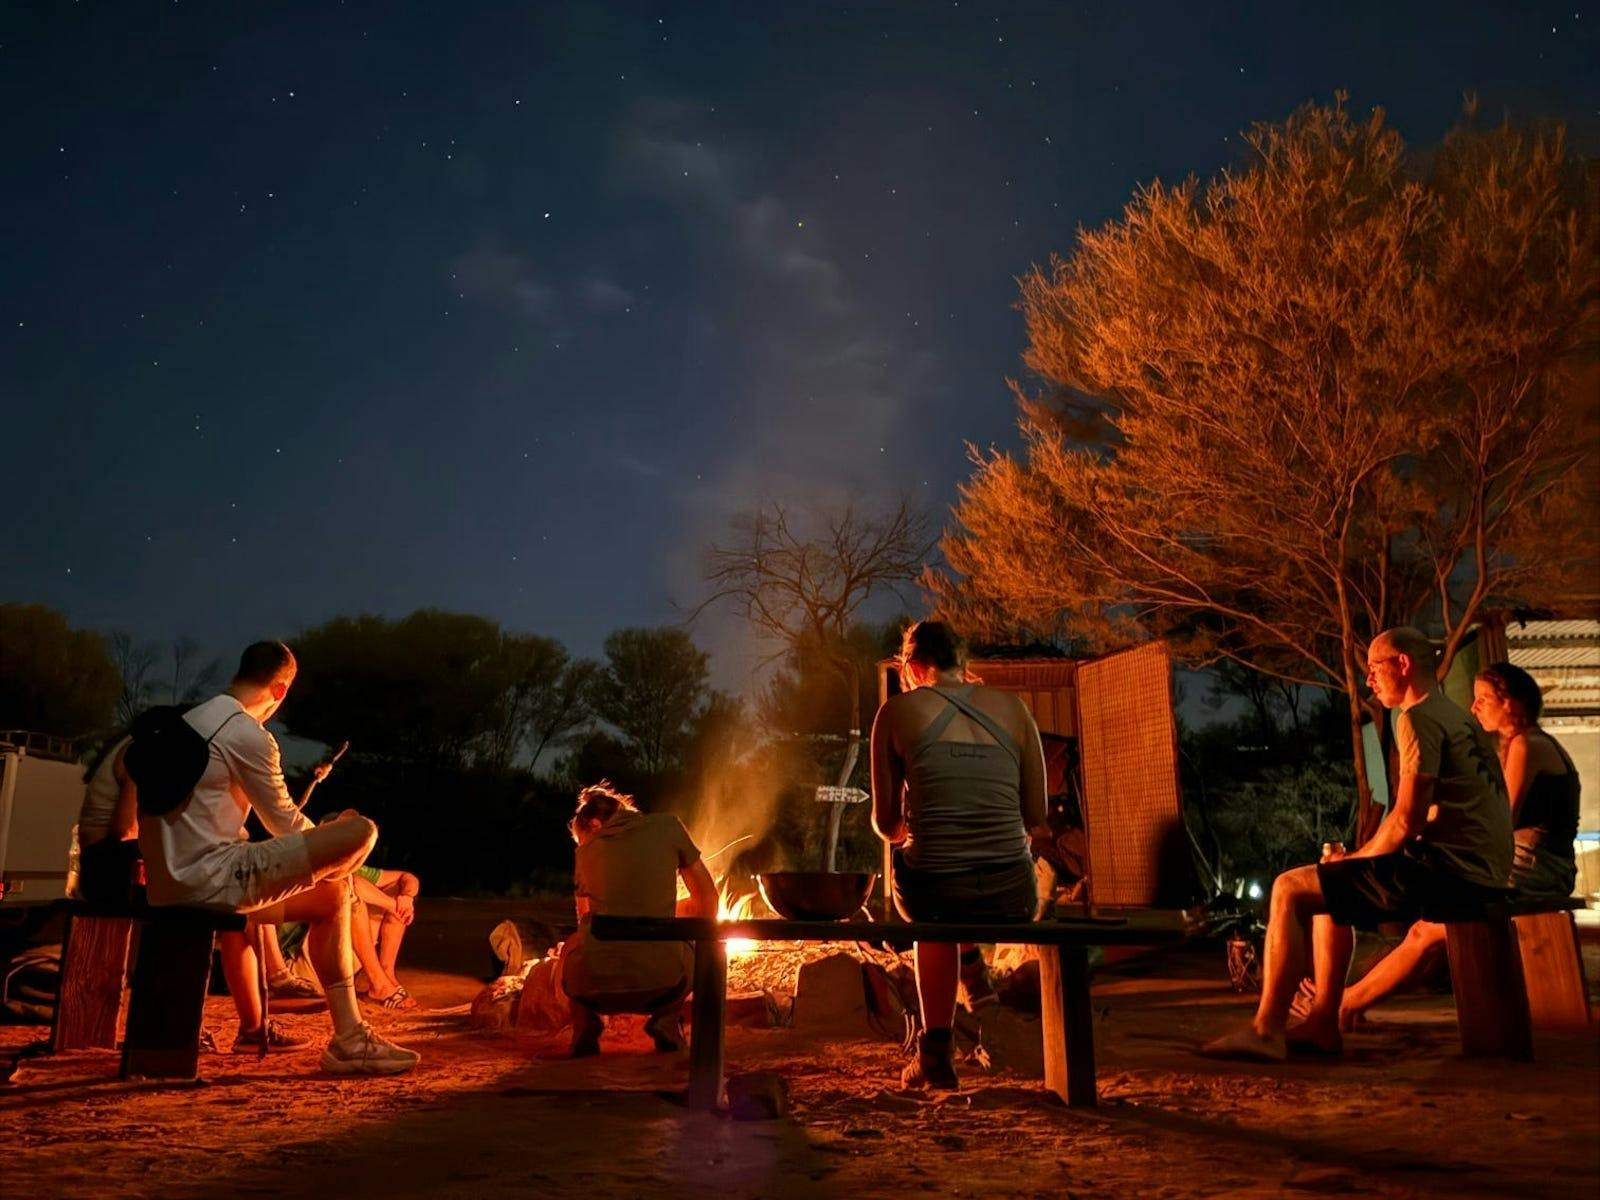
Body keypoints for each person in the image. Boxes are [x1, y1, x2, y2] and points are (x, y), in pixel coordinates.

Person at [1202, 626, 1514, 1061]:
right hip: (1481, 873)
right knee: (1330, 892)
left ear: (1402, 664)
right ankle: (1322, 1025)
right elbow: (1440, 812)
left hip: (1454, 878)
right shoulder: (1456, 716)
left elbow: (1404, 820)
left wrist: (1354, 859)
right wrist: (1353, 862)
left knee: (1290, 888)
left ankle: (1265, 1030)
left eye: (1374, 668)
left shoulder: (1418, 718)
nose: (1369, 680)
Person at [138, 641, 418, 1074]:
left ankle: (349, 1037)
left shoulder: (192, 719)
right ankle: (336, 1022)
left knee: (331, 897)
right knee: (362, 831)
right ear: (280, 689)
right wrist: (337, 841)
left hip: (168, 881)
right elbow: (285, 825)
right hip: (213, 877)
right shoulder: (245, 732)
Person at [1315, 661, 1579, 1028]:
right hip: (1536, 864)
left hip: (1530, 868)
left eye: (1484, 699)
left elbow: (1499, 819)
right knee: (1427, 925)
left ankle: (1344, 1003)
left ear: (1511, 704)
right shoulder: (1532, 744)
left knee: (1429, 926)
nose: (1474, 708)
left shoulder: (1525, 746)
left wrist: (1427, 825)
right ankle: (1349, 1002)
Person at [871, 620, 1049, 1090]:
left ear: (911, 667)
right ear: (962, 663)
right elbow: (1036, 814)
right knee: (949, 882)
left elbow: (887, 825)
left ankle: (935, 1051)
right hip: (1013, 893)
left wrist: (922, 825)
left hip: (936, 893)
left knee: (928, 890)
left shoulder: (896, 712)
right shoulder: (1014, 709)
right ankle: (973, 973)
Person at [560, 781, 718, 1057]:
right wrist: (667, 920)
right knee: (703, 947)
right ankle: (667, 1021)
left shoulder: (586, 851)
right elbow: (709, 903)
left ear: (594, 824)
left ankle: (585, 1025)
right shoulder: (669, 827)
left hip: (592, 988)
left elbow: (587, 923)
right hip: (665, 984)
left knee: (571, 946)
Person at [75, 732, 140, 905]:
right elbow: (124, 829)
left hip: (96, 855)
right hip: (106, 859)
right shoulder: (138, 753)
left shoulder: (127, 742)